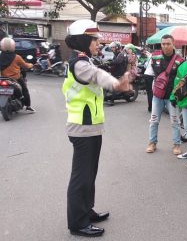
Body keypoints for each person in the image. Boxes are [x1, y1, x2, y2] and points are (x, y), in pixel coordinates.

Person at [62, 19, 131, 237]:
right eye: (94, 39)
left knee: (89, 174)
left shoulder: (85, 59)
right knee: (81, 177)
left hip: (90, 127)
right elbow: (96, 76)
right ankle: (77, 223)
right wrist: (116, 84)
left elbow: (97, 72)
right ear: (84, 40)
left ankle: (86, 211)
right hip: (82, 128)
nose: (98, 43)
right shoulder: (79, 62)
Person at [145, 35, 184, 154]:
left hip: (172, 97)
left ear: (173, 44)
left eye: (168, 43)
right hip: (158, 96)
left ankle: (177, 145)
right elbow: (148, 74)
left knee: (175, 121)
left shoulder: (180, 60)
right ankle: (152, 143)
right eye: (163, 44)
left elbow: (181, 80)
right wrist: (152, 91)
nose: (165, 46)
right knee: (154, 120)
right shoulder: (154, 56)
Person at [0, 37, 35, 112]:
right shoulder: (17, 57)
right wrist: (31, 65)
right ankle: (28, 106)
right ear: (13, 46)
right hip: (15, 79)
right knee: (25, 90)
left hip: (2, 79)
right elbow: (25, 66)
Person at [139, 47, 154, 112]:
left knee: (149, 92)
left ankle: (150, 107)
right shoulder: (158, 56)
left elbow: (145, 65)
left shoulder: (150, 56)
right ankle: (152, 107)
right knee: (152, 92)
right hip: (152, 75)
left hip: (146, 74)